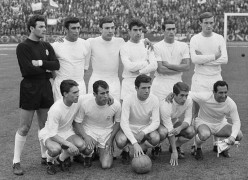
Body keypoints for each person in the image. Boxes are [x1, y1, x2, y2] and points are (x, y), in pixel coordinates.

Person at [13, 15, 60, 175]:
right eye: (40, 26)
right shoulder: (23, 47)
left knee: (44, 126)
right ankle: (16, 162)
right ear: (31, 28)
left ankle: (44, 157)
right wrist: (46, 69)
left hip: (45, 87)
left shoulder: (46, 45)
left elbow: (56, 64)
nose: (44, 29)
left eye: (44, 26)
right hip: (29, 88)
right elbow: (27, 70)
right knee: (25, 127)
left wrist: (40, 64)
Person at [190, 12, 228, 150]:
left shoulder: (219, 38)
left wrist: (204, 59)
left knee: (218, 109)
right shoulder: (195, 39)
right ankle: (196, 145)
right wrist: (214, 56)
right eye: (206, 22)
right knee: (196, 111)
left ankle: (217, 145)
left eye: (211, 22)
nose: (209, 25)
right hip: (199, 78)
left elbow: (224, 59)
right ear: (200, 23)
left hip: (216, 77)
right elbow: (194, 60)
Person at [39, 80, 88, 175]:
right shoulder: (55, 109)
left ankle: (61, 159)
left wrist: (110, 96)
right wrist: (69, 144)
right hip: (50, 134)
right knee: (55, 149)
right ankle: (50, 162)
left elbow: (92, 96)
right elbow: (53, 134)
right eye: (74, 92)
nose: (78, 95)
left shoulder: (76, 100)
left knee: (81, 145)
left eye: (78, 92)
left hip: (67, 132)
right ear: (65, 94)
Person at [74, 80, 121, 169]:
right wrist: (85, 136)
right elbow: (77, 122)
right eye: (102, 93)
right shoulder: (85, 103)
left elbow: (118, 122)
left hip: (106, 132)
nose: (106, 96)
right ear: (95, 94)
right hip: (90, 131)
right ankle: (88, 154)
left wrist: (111, 139)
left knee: (106, 165)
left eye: (107, 92)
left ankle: (100, 151)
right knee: (87, 149)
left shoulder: (116, 105)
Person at [190, 81, 243, 160]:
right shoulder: (205, 97)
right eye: (220, 93)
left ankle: (223, 148)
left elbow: (236, 121)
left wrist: (232, 136)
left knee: (238, 135)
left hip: (220, 125)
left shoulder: (230, 103)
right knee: (204, 134)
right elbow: (188, 93)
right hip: (203, 122)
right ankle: (198, 148)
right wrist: (172, 94)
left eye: (225, 92)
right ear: (214, 92)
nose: (224, 95)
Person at [115, 74, 160, 164]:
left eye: (148, 87)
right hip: (130, 128)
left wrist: (143, 132)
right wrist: (135, 143)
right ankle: (126, 150)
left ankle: (144, 147)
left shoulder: (154, 99)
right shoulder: (128, 99)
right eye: (143, 88)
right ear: (136, 88)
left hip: (144, 129)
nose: (147, 91)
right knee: (120, 141)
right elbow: (124, 123)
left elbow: (156, 122)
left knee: (156, 138)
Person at [52, 17, 90, 101]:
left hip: (79, 85)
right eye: (73, 28)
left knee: (79, 112)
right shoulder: (56, 45)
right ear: (66, 29)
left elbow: (85, 68)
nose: (76, 31)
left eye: (78, 28)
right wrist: (58, 80)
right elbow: (52, 68)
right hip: (61, 86)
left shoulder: (85, 44)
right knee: (61, 112)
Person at [86, 17, 125, 100]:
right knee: (94, 109)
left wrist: (144, 41)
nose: (110, 31)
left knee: (114, 109)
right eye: (107, 28)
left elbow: (133, 45)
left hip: (114, 81)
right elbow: (75, 44)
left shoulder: (120, 41)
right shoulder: (91, 42)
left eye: (112, 28)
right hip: (96, 80)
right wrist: (60, 40)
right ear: (100, 29)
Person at [151, 19, 190, 101]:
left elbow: (187, 67)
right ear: (163, 31)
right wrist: (180, 69)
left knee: (176, 112)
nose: (171, 31)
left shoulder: (183, 46)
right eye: (169, 29)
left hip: (177, 84)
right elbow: (161, 69)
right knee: (158, 111)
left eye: (173, 29)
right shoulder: (157, 47)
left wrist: (169, 65)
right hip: (160, 85)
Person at [120, 18, 157, 100]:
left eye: (140, 30)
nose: (138, 32)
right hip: (129, 85)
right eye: (135, 30)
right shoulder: (124, 47)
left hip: (145, 84)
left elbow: (154, 65)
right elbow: (129, 67)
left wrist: (140, 71)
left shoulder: (146, 44)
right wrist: (146, 63)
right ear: (129, 31)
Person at [158, 82, 195, 166]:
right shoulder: (166, 105)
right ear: (174, 95)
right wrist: (174, 153)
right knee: (163, 133)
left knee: (191, 131)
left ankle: (174, 146)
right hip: (161, 124)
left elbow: (188, 119)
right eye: (181, 95)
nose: (184, 98)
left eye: (186, 95)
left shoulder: (189, 100)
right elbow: (170, 130)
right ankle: (155, 147)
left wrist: (180, 128)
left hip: (174, 122)